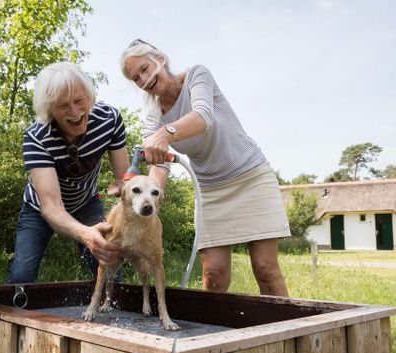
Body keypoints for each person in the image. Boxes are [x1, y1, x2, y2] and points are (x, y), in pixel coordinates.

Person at [120, 39, 290, 296]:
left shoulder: (197, 75)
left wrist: (166, 134)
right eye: (136, 78)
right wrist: (149, 200)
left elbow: (203, 117)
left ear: (160, 60)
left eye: (145, 69)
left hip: (251, 176)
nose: (143, 79)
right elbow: (159, 166)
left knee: (265, 268)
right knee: (214, 276)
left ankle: (284, 335)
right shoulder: (154, 117)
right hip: (209, 190)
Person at [6, 61, 129, 284]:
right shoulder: (37, 137)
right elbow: (52, 206)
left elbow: (125, 182)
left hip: (86, 202)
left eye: (79, 100)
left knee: (111, 272)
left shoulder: (109, 120)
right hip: (40, 209)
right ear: (49, 108)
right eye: (63, 106)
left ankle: (110, 315)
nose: (74, 112)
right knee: (21, 274)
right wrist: (86, 235)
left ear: (89, 97)